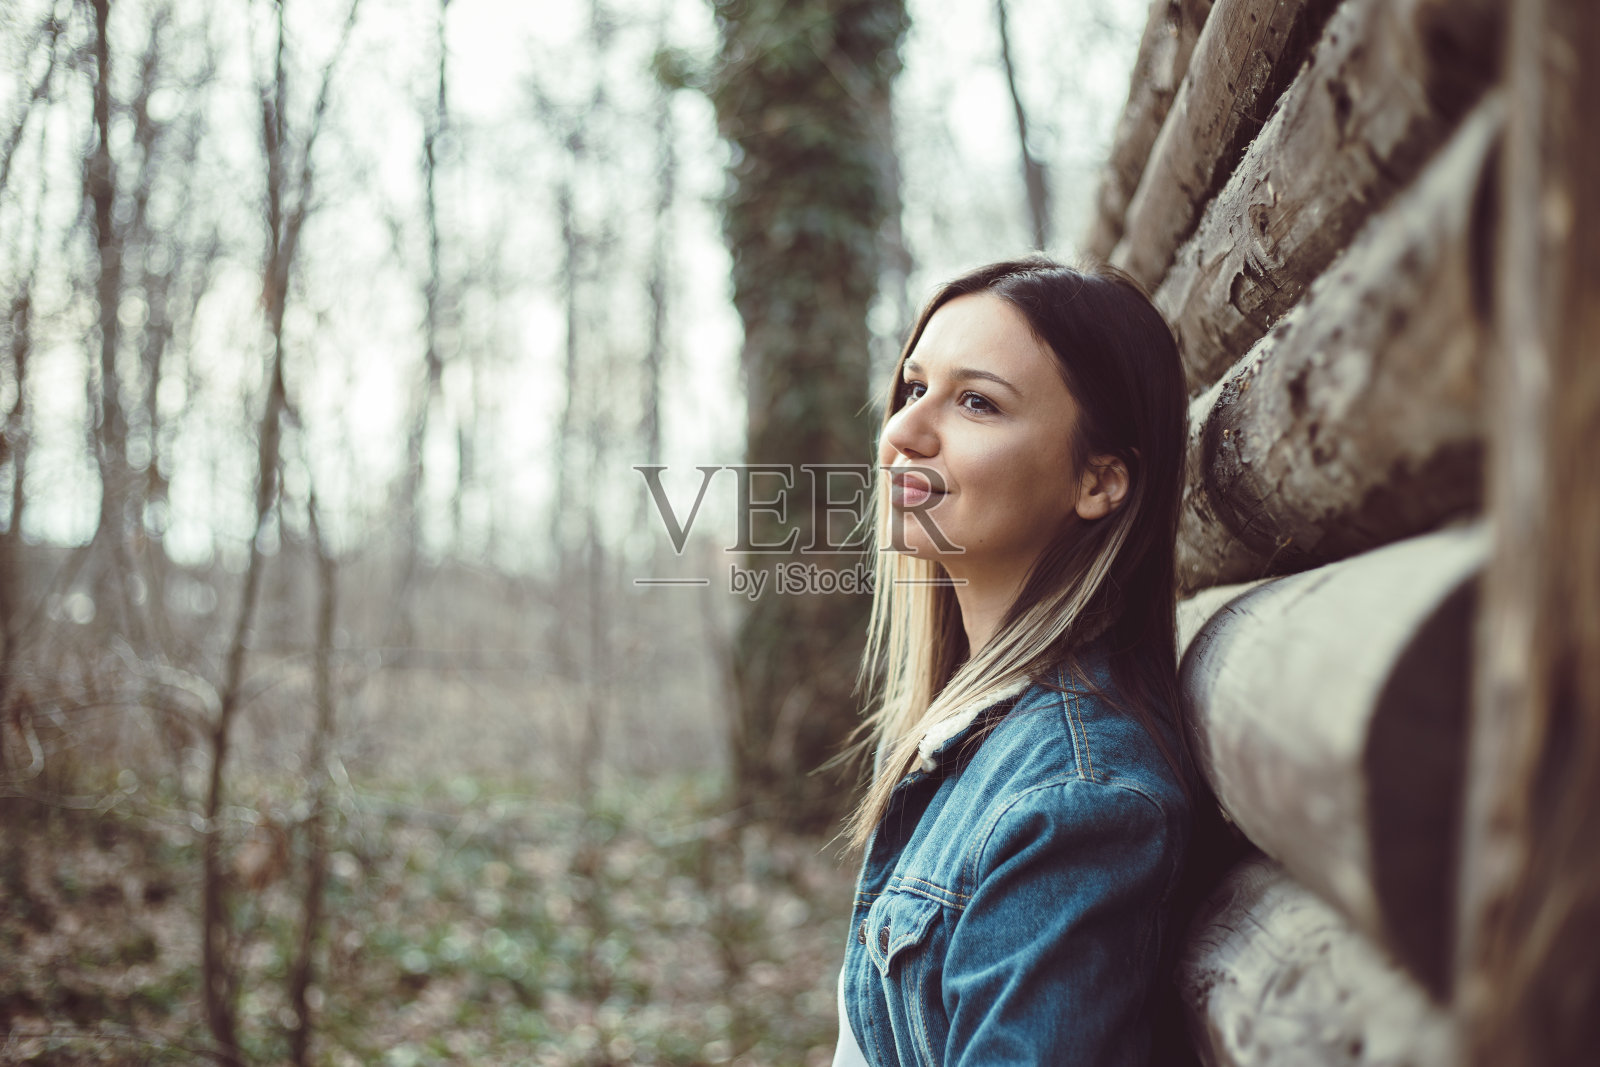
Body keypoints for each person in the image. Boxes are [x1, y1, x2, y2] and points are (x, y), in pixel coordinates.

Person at [833, 257, 1203, 1066]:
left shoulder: (1077, 799)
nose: (903, 433)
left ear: (1100, 480)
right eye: (913, 387)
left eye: (977, 401)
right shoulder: (961, 733)